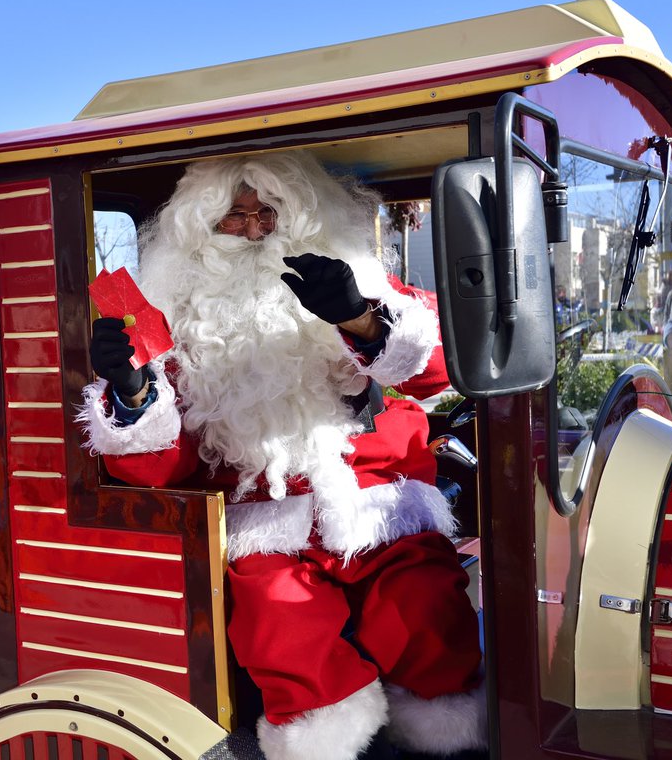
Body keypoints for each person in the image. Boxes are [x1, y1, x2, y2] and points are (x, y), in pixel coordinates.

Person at [77, 152, 483, 760]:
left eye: (270, 212)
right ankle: (322, 743)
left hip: (382, 508)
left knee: (423, 611)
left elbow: (437, 372)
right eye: (233, 218)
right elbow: (165, 467)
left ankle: (447, 741)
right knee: (280, 625)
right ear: (200, 232)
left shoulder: (362, 283)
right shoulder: (177, 327)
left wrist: (359, 318)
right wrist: (135, 394)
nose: (254, 229)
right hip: (267, 528)